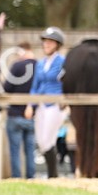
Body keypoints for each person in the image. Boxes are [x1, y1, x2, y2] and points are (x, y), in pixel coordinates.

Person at [26, 27, 68, 178]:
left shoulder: (62, 62)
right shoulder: (40, 63)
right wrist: (30, 105)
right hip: (41, 105)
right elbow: (35, 86)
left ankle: (53, 174)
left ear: (57, 44)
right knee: (41, 141)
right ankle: (53, 174)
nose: (46, 45)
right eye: (45, 42)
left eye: (50, 42)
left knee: (47, 140)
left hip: (55, 104)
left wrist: (64, 99)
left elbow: (66, 83)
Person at [3, 43, 37, 179]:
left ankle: (16, 178)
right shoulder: (39, 66)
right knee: (30, 150)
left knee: (15, 151)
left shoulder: (17, 66)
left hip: (15, 114)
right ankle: (31, 178)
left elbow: (7, 87)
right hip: (32, 115)